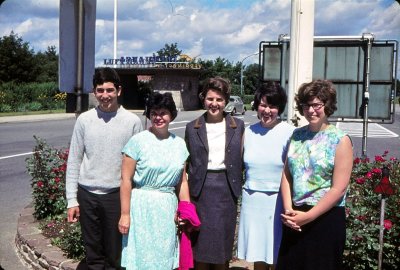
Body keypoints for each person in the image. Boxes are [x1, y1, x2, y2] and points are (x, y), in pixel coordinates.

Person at [66, 67, 143, 270]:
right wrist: (71, 200)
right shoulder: (84, 120)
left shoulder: (132, 122)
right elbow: (74, 160)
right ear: (94, 92)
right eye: (100, 90)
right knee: (93, 255)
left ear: (119, 91)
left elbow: (139, 165)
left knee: (115, 256)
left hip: (116, 196)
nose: (105, 95)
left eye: (109, 90)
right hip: (87, 194)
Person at [277, 80, 353, 270]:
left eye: (316, 105)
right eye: (306, 105)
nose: (311, 110)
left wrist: (309, 216)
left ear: (327, 105)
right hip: (295, 217)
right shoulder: (296, 135)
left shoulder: (340, 140)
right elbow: (286, 175)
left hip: (325, 219)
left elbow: (339, 188)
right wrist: (289, 210)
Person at [118, 92, 191, 269]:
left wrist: (185, 210)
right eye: (154, 113)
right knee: (141, 258)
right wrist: (125, 214)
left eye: (163, 113)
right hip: (141, 208)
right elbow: (126, 180)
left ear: (171, 115)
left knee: (164, 257)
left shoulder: (179, 144)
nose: (158, 118)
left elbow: (182, 182)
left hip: (167, 209)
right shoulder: (137, 142)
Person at [185, 77, 245, 270]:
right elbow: (187, 162)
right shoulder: (192, 127)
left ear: (226, 101)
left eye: (219, 99)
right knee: (200, 247)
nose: (214, 104)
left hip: (226, 190)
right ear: (204, 99)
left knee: (221, 249)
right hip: (200, 191)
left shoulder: (238, 125)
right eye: (210, 99)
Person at [237, 82, 295, 270]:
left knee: (278, 253)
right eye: (263, 105)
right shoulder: (248, 131)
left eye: (273, 106)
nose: (267, 110)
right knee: (257, 253)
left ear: (280, 108)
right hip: (252, 199)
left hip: (279, 200)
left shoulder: (290, 133)